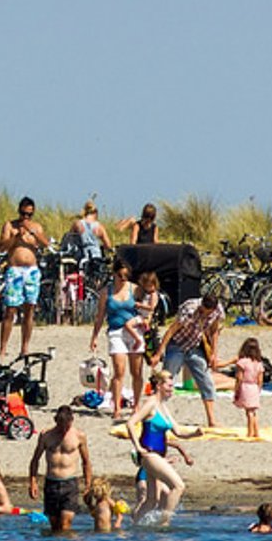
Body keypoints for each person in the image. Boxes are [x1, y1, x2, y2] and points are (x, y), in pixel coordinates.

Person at [126, 370, 194, 524]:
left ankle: (135, 525)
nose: (172, 389)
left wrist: (195, 434)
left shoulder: (163, 406)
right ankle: (164, 522)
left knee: (152, 500)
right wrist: (138, 447)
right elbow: (130, 423)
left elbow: (177, 432)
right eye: (169, 386)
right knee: (178, 486)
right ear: (159, 385)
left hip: (158, 456)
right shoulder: (151, 403)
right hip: (150, 455)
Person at [158, 292, 227, 427]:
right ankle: (157, 414)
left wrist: (213, 353)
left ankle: (211, 419)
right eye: (204, 312)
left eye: (209, 313)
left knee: (206, 381)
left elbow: (214, 331)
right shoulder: (190, 309)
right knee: (166, 380)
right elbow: (172, 329)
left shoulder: (218, 310)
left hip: (194, 347)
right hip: (177, 345)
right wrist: (160, 351)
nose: (206, 315)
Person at [27, 406, 92, 534]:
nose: (63, 430)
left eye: (66, 426)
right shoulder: (46, 435)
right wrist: (33, 482)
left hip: (70, 484)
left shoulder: (79, 436)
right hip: (51, 483)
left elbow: (86, 462)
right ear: (56, 420)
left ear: (71, 421)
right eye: (61, 425)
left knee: (65, 524)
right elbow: (35, 460)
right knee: (54, 527)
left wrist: (88, 485)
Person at [0, 196, 49, 358]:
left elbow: (45, 244)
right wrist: (15, 237)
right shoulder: (10, 225)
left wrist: (32, 232)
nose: (25, 217)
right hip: (15, 270)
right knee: (10, 309)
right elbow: (2, 247)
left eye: (29, 215)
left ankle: (25, 347)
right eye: (23, 213)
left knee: (30, 309)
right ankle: (3, 347)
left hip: (31, 271)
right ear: (19, 210)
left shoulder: (36, 227)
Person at [90, 265, 143, 417]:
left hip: (134, 332)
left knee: (137, 372)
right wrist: (94, 336)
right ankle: (117, 407)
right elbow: (100, 316)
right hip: (116, 332)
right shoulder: (106, 292)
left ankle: (137, 405)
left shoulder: (135, 289)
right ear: (114, 274)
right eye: (120, 276)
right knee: (119, 370)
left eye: (126, 276)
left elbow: (147, 307)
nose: (123, 279)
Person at [232, 338, 266, 439]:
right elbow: (260, 380)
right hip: (254, 387)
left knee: (249, 412)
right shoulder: (259, 364)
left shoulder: (242, 362)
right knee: (253, 411)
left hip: (246, 387)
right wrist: (258, 389)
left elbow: (239, 378)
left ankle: (250, 432)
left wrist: (236, 389)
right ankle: (256, 431)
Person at [63, 200, 111, 266]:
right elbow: (108, 245)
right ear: (95, 213)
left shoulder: (78, 224)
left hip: (82, 257)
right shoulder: (100, 226)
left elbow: (69, 238)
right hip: (96, 256)